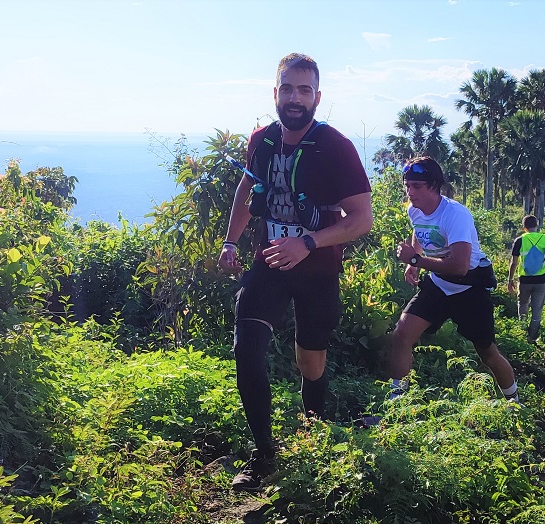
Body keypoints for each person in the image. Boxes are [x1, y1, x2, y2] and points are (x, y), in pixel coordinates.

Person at [217, 53, 373, 492]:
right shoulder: (263, 140)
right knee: (247, 348)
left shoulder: (335, 146)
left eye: (304, 90)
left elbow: (362, 219)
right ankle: (264, 455)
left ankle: (315, 431)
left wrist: (307, 242)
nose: (295, 98)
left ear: (317, 97)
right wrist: (231, 240)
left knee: (310, 362)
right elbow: (247, 188)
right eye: (288, 88)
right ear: (275, 93)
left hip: (317, 268)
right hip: (268, 263)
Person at [386, 156, 519, 404]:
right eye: (407, 185)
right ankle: (397, 402)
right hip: (438, 284)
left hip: (469, 287)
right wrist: (412, 260)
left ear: (434, 186)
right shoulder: (413, 210)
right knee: (401, 335)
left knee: (487, 353)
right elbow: (419, 231)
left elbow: (459, 266)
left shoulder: (456, 215)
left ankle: (514, 402)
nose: (410, 191)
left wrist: (416, 261)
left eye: (417, 186)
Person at [507, 215, 545, 344]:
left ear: (524, 227)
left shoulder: (520, 240)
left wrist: (510, 280)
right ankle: (532, 337)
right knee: (537, 309)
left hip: (524, 279)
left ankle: (522, 333)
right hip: (542, 279)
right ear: (537, 225)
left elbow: (514, 262)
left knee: (522, 304)